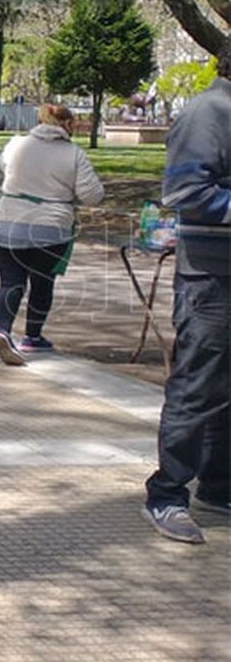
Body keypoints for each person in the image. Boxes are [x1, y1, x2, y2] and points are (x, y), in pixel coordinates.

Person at [142, 42, 230, 544]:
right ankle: (168, 493)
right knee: (197, 387)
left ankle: (218, 486)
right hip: (212, 278)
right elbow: (184, 193)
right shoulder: (208, 112)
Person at [0, 104, 104, 365]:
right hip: (51, 228)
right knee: (42, 282)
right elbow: (93, 195)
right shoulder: (73, 154)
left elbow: (5, 167)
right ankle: (32, 336)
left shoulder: (16, 144)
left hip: (8, 222)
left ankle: (2, 330)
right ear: (67, 125)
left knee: (10, 282)